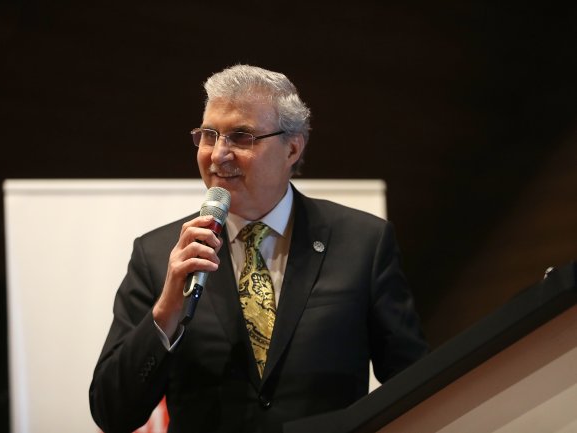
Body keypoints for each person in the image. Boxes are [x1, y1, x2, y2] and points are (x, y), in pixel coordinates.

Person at [89, 64, 428, 433]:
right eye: (209, 135)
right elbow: (112, 413)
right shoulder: (158, 256)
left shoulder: (363, 242)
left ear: (292, 148)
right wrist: (166, 311)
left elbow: (415, 388)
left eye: (241, 137)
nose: (218, 154)